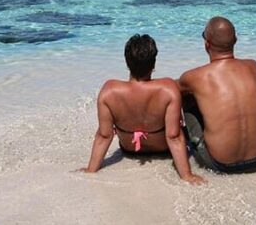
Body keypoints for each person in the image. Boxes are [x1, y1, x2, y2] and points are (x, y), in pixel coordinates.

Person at [82, 34, 205, 184]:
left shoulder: (110, 91)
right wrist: (187, 175)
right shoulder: (167, 89)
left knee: (103, 126)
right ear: (153, 64)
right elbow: (173, 136)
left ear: (127, 63)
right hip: (163, 150)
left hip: (130, 151)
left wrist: (90, 170)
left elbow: (104, 135)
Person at [178, 16, 256, 173]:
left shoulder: (195, 77)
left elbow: (170, 91)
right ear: (235, 40)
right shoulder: (254, 66)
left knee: (186, 96)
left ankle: (181, 140)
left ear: (207, 44)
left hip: (219, 163)